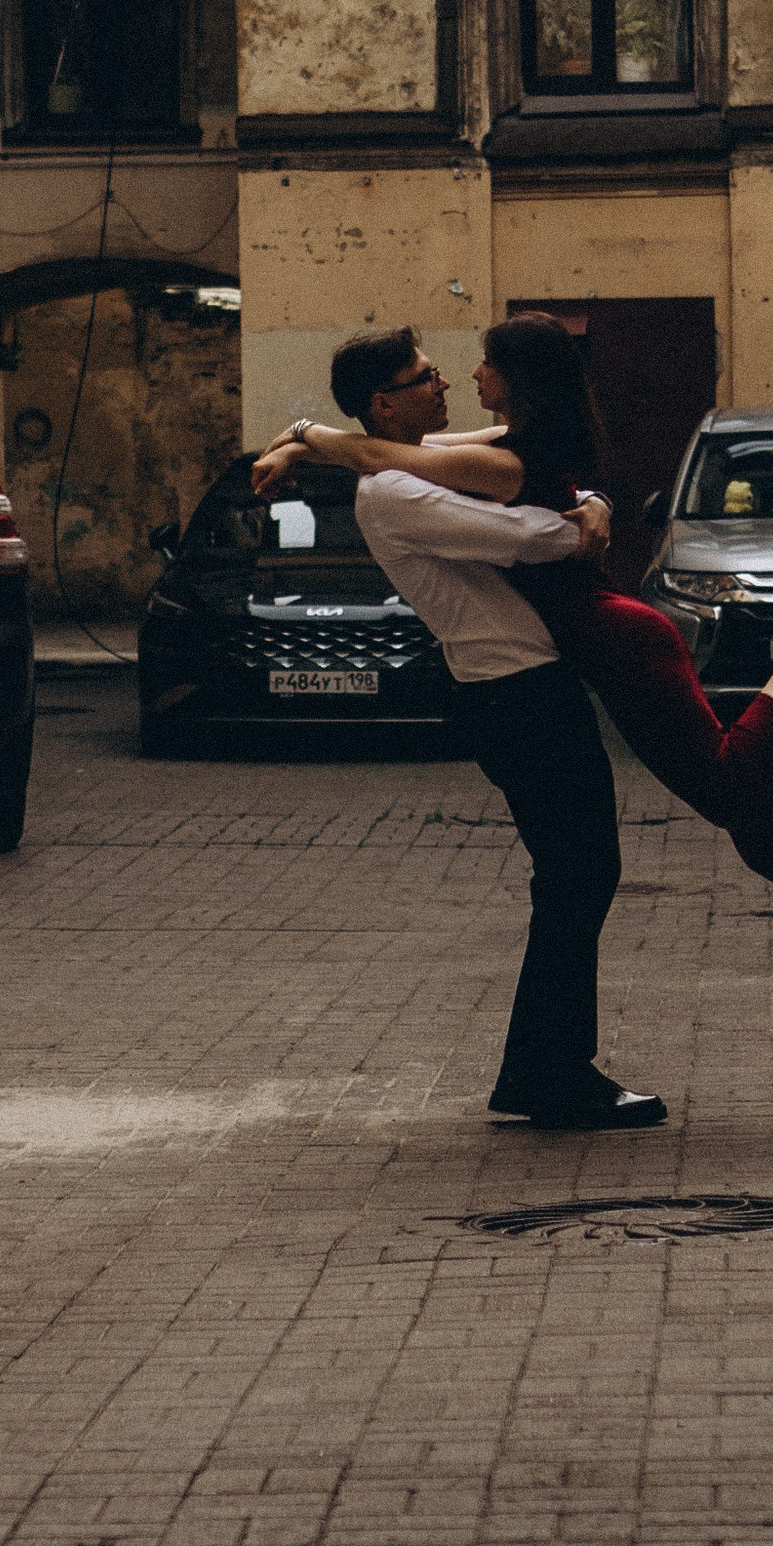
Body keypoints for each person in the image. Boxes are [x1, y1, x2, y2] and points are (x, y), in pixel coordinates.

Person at [260, 319, 773, 901]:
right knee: (726, 780)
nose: (466, 377)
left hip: (613, 637)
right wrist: (305, 440)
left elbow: (378, 454)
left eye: (482, 365)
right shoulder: (506, 444)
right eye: (440, 371)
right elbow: (383, 451)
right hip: (610, 631)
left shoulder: (499, 463)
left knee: (722, 783)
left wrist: (307, 437)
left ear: (515, 381)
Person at [287, 325, 665, 1132]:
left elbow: (519, 450)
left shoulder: (412, 463)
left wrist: (591, 498)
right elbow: (522, 538)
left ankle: (540, 1068)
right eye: (425, 378)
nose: (446, 384)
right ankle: (554, 1075)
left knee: (575, 873)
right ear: (385, 402)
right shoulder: (393, 491)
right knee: (578, 873)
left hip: (523, 689)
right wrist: (584, 525)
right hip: (515, 695)